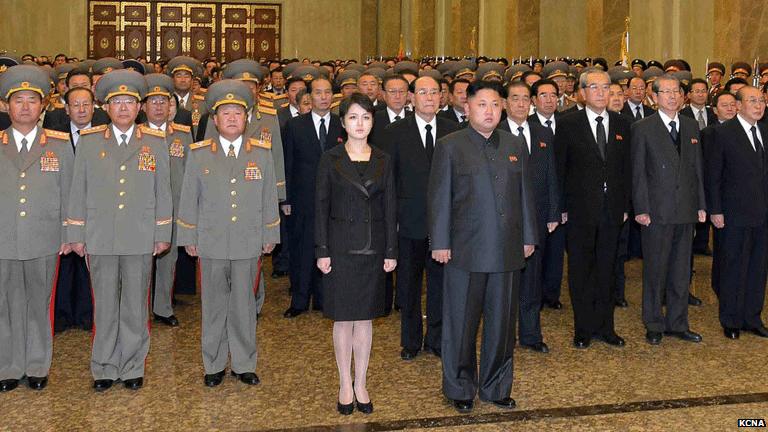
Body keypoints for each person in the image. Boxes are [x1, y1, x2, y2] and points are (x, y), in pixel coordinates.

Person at [428, 80, 537, 413]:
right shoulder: (450, 146)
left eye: (494, 105)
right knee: (461, 323)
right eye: (481, 105)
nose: (489, 111)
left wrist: (529, 236)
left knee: (503, 324)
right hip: (465, 250)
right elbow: (439, 197)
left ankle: (496, 385)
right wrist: (441, 242)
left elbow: (525, 196)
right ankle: (460, 386)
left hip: (506, 249)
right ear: (467, 108)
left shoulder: (514, 144)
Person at [67, 69, 172, 391]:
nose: (124, 108)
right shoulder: (89, 142)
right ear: (106, 108)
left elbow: (163, 190)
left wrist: (162, 232)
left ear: (139, 107)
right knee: (106, 305)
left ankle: (132, 366)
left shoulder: (153, 143)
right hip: (100, 236)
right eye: (117, 103)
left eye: (129, 102)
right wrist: (76, 233)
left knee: (135, 305)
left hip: (140, 235)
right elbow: (77, 189)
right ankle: (104, 366)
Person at [176, 79, 280, 387]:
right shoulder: (199, 153)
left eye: (237, 112)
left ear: (247, 117)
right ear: (215, 119)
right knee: (213, 305)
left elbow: (268, 197)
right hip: (211, 241)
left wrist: (270, 233)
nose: (232, 118)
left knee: (244, 306)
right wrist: (189, 237)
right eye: (225, 113)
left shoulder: (260, 153)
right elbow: (188, 198)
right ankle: (214, 363)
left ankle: (244, 362)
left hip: (248, 240)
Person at [315, 93, 396, 415]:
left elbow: (391, 208)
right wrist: (321, 250)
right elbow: (320, 207)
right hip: (339, 247)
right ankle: (344, 383)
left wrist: (391, 249)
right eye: (353, 117)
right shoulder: (330, 158)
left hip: (373, 248)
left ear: (372, 122)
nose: (359, 123)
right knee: (343, 319)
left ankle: (361, 381)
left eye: (365, 117)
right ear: (343, 122)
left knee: (364, 319)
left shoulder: (384, 159)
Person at [0, 65, 74, 392]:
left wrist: (70, 234)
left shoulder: (57, 145)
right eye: (19, 100)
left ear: (43, 105)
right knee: (5, 303)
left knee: (39, 303)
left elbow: (71, 193)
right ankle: (8, 365)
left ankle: (37, 364)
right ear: (6, 105)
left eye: (32, 100)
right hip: (4, 238)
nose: (25, 107)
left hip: (44, 238)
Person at [380, 75, 458, 361]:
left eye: (434, 92)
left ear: (442, 97)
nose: (428, 97)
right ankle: (410, 341)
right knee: (409, 287)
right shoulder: (394, 132)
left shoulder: (453, 130)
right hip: (408, 222)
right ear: (411, 97)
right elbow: (388, 182)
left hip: (444, 225)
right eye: (422, 92)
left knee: (440, 286)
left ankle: (436, 339)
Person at [554, 68, 631, 349]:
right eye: (595, 88)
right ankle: (583, 328)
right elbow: (559, 170)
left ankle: (606, 327)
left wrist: (625, 205)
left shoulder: (622, 124)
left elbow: (626, 170)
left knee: (607, 269)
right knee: (581, 271)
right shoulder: (567, 124)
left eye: (606, 87)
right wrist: (560, 207)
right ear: (583, 93)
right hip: (579, 211)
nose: (602, 93)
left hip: (612, 211)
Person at [631, 74, 706, 345]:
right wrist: (641, 208)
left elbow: (697, 169)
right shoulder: (643, 128)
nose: (673, 96)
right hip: (656, 212)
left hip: (686, 210)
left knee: (680, 271)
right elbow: (638, 172)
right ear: (654, 96)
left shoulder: (690, 126)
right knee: (655, 271)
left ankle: (678, 322)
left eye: (677, 92)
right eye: (666, 92)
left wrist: (701, 205)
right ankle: (653, 322)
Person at [499, 81, 559, 353]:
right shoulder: (495, 133)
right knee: (505, 281)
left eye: (525, 99)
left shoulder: (542, 132)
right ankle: (504, 336)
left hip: (536, 217)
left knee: (533, 280)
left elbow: (551, 175)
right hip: (504, 220)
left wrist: (553, 211)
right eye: (515, 99)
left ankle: (531, 335)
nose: (521, 104)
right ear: (505, 103)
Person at [705, 86, 768, 340]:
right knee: (732, 266)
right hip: (732, 213)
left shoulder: (765, 130)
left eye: (762, 100)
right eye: (752, 100)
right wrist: (715, 210)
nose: (759, 105)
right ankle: (730, 319)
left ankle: (752, 317)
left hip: (762, 213)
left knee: (758, 267)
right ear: (739, 105)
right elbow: (714, 176)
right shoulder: (722, 133)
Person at [283, 76, 344, 317]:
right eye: (318, 93)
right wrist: (285, 198)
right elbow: (288, 163)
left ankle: (323, 298)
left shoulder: (343, 125)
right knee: (301, 250)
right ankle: (298, 300)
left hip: (335, 200)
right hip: (302, 199)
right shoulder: (295, 126)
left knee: (329, 248)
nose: (323, 97)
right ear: (310, 97)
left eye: (327, 93)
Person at [142, 73, 194, 327]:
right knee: (140, 261)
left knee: (167, 260)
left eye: (164, 101)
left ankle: (162, 307)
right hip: (140, 210)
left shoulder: (183, 135)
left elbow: (191, 175)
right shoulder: (137, 135)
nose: (159, 106)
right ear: (143, 106)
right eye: (153, 101)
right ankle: (139, 308)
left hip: (172, 209)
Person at [51, 86, 97, 333]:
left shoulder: (104, 137)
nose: (81, 109)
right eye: (75, 105)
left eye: (86, 104)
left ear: (94, 107)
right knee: (66, 263)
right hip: (64, 209)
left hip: (94, 210)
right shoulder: (54, 138)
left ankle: (87, 313)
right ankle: (62, 314)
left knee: (90, 265)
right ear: (66, 109)